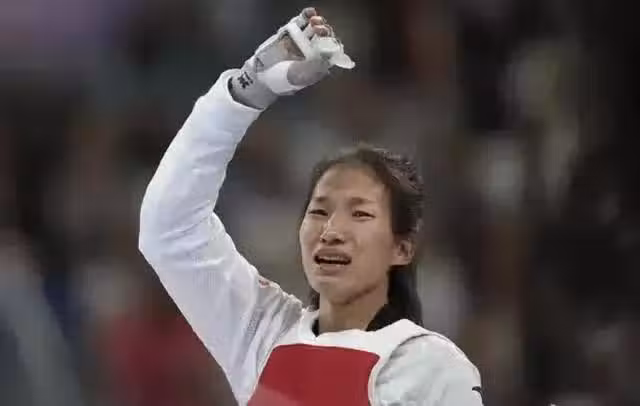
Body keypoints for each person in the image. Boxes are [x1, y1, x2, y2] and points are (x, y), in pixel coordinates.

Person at [139, 7, 483, 405]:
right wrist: (245, 91)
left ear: (401, 247)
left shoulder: (431, 369)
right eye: (319, 211)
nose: (332, 231)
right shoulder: (263, 336)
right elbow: (169, 230)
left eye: (360, 213)